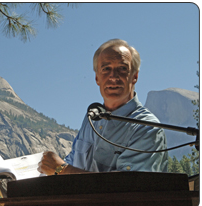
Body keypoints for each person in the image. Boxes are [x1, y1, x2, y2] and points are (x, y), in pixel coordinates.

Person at [37, 39, 168, 176]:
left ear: (134, 76)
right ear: (97, 78)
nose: (113, 76)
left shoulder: (147, 128)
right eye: (106, 69)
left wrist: (61, 169)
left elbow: (128, 189)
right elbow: (73, 162)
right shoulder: (92, 119)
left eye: (122, 68)